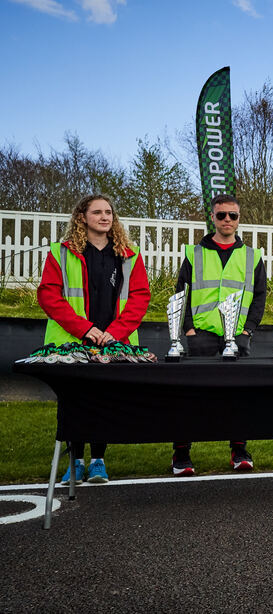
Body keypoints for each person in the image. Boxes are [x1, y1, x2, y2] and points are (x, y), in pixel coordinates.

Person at [37, 194, 151, 485]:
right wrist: (84, 329)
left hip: (114, 342)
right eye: (97, 212)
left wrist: (117, 331)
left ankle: (98, 462)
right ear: (82, 217)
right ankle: (74, 462)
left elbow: (140, 298)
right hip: (72, 342)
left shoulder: (129, 254)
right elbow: (49, 295)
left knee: (103, 400)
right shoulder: (61, 253)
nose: (105, 217)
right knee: (73, 402)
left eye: (109, 212)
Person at [171, 194, 266, 475]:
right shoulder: (194, 254)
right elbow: (181, 294)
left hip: (237, 336)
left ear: (239, 219)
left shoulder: (252, 256)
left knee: (238, 396)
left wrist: (248, 329)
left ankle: (239, 450)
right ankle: (181, 455)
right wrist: (188, 328)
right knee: (191, 396)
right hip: (200, 334)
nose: (227, 220)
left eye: (232, 216)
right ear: (212, 217)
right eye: (221, 215)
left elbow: (260, 296)